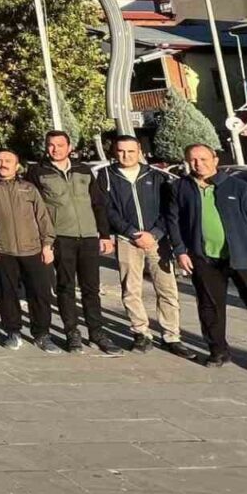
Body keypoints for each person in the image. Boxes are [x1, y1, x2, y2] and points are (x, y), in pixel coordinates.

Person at [167, 144, 247, 375]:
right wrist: (180, 250)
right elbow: (174, 221)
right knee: (210, 307)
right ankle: (218, 350)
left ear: (215, 159)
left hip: (243, 258)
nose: (198, 163)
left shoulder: (238, 187)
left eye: (203, 158)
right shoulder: (181, 188)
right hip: (204, 258)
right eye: (193, 160)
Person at [26, 131, 120, 356]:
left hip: (88, 236)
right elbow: (34, 210)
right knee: (66, 287)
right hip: (61, 237)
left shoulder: (83, 170)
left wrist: (104, 235)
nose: (55, 149)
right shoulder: (37, 172)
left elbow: (98, 204)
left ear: (69, 147)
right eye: (50, 145)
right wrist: (44, 242)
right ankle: (72, 332)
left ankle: (97, 332)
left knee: (91, 288)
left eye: (60, 145)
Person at [102, 135, 188, 357]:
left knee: (167, 288)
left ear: (139, 150)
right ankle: (141, 332)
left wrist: (156, 233)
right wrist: (130, 232)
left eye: (131, 151)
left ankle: (171, 335)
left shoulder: (157, 176)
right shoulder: (106, 176)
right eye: (121, 151)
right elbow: (107, 209)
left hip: (158, 241)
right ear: (114, 151)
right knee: (131, 289)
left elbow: (168, 210)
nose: (126, 155)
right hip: (127, 239)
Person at [0, 150, 57, 353]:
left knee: (39, 293)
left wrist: (47, 244)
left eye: (8, 161)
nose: (3, 164)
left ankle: (42, 334)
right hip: (3, 250)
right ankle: (13, 331)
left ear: (17, 164)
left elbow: (43, 218)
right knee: (6, 294)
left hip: (33, 250)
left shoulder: (28, 188)